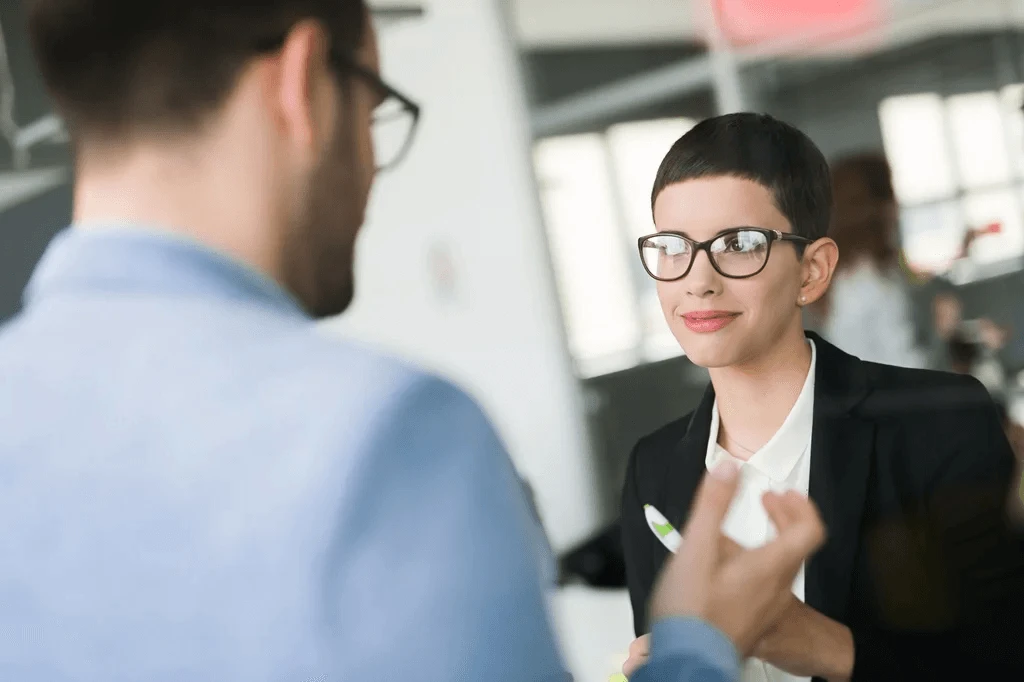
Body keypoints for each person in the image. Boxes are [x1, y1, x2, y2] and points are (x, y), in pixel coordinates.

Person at [0, 3, 829, 681]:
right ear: (301, 87)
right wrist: (695, 647)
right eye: (371, 107)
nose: (369, 167)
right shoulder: (383, 434)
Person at [620, 113, 1024, 682]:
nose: (697, 279)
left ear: (811, 271)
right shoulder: (653, 469)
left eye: (737, 244)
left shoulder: (941, 422)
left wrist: (831, 649)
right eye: (672, 246)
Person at [814, 153, 926, 369]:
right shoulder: (865, 284)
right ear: (873, 207)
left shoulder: (856, 275)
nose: (896, 206)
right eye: (890, 194)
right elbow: (904, 369)